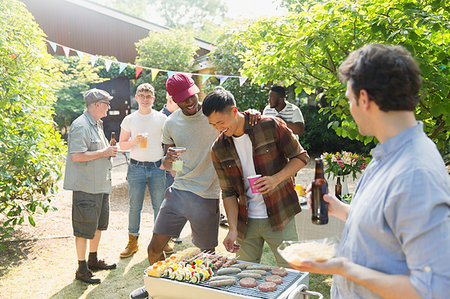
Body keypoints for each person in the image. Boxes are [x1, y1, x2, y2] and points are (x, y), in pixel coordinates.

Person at [295, 44, 450, 298]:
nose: (350, 109)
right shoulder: (388, 153)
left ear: (364, 99)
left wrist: (344, 267)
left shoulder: (416, 173)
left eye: (349, 100)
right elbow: (387, 226)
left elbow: (433, 289)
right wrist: (339, 208)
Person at [130, 75, 260, 299]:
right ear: (174, 100)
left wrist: (252, 113)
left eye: (192, 97)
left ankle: (198, 293)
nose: (190, 103)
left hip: (206, 196)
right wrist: (169, 159)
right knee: (153, 250)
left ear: (196, 90)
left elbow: (235, 118)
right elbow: (171, 165)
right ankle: (160, 288)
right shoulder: (170, 123)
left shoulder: (212, 115)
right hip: (178, 192)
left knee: (207, 257)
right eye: (183, 100)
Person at [202, 88, 310, 266]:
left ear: (234, 111)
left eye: (220, 122)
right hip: (247, 222)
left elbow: (301, 157)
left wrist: (276, 179)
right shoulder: (218, 149)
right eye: (213, 125)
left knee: (292, 272)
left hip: (280, 214)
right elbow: (228, 193)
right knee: (244, 276)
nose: (218, 128)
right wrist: (233, 229)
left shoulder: (270, 126)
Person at [63, 88, 117, 284]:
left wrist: (108, 152)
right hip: (86, 186)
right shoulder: (81, 125)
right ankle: (81, 268)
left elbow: (97, 151)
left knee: (98, 226)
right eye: (106, 103)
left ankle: (93, 260)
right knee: (83, 229)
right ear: (97, 105)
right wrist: (104, 152)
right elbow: (76, 156)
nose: (109, 107)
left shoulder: (96, 123)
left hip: (100, 184)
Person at [118, 83, 172, 258]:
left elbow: (170, 142)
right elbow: (121, 144)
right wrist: (134, 141)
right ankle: (132, 242)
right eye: (141, 95)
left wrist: (167, 163)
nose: (145, 99)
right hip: (136, 167)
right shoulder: (129, 119)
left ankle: (160, 241)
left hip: (157, 167)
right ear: (137, 97)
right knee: (135, 207)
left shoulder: (162, 118)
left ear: (153, 99)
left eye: (148, 96)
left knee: (159, 206)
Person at [160, 92, 182, 244]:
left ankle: (175, 233)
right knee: (169, 200)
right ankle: (168, 234)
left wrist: (178, 169)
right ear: (169, 100)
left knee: (179, 199)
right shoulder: (163, 118)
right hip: (166, 165)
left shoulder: (181, 116)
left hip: (178, 164)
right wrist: (172, 169)